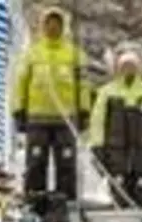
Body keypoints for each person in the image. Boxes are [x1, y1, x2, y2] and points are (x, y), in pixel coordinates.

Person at [11, 6, 92, 205]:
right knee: (36, 162)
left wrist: (84, 111)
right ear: (42, 26)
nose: (53, 27)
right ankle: (34, 202)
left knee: (66, 163)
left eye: (57, 23)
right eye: (49, 23)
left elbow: (83, 85)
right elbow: (21, 82)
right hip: (37, 120)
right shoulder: (32, 54)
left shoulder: (75, 55)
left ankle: (66, 204)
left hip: (66, 120)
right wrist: (18, 111)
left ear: (63, 26)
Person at [87, 43, 142, 208]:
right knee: (118, 196)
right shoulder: (107, 93)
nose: (128, 69)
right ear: (117, 68)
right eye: (125, 66)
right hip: (115, 155)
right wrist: (97, 149)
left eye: (132, 66)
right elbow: (98, 123)